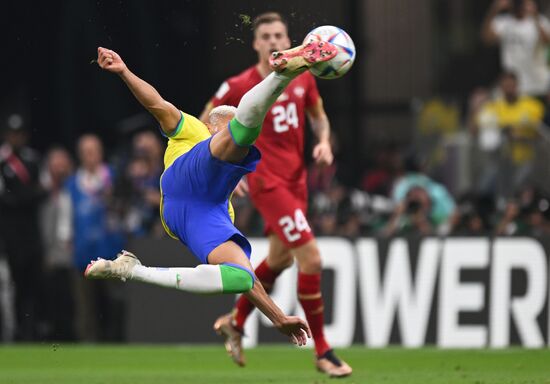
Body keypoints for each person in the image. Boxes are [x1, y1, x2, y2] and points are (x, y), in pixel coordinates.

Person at [85, 40, 339, 346]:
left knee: (241, 276)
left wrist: (278, 317)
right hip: (185, 179)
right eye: (223, 127)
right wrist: (124, 71)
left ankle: (134, 270)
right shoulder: (194, 130)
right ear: (210, 125)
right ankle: (282, 75)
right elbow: (156, 104)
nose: (229, 135)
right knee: (241, 135)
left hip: (199, 214)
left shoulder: (226, 210)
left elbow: (250, 284)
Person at [199, 12, 352, 377]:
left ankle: (235, 322)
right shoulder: (239, 84)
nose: (272, 41)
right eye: (265, 36)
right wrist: (224, 167)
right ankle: (322, 350)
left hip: (296, 182)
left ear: (289, 40)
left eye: (279, 35)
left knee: (281, 259)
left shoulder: (304, 78)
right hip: (267, 183)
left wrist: (325, 142)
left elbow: (318, 116)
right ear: (256, 44)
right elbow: (204, 121)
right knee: (311, 259)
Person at [0, 116, 45, 340]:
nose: (16, 138)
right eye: (12, 133)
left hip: (32, 234)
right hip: (10, 236)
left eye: (19, 133)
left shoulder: (32, 160)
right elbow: (6, 199)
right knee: (13, 286)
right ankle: (15, 332)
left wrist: (20, 197)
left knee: (33, 284)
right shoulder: (2, 161)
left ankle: (32, 330)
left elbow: (42, 193)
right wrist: (26, 196)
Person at [482, 0, 550, 97]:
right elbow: (487, 38)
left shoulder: (540, 21)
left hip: (537, 84)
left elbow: (547, 42)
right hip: (513, 86)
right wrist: (494, 9)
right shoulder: (504, 22)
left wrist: (535, 16)